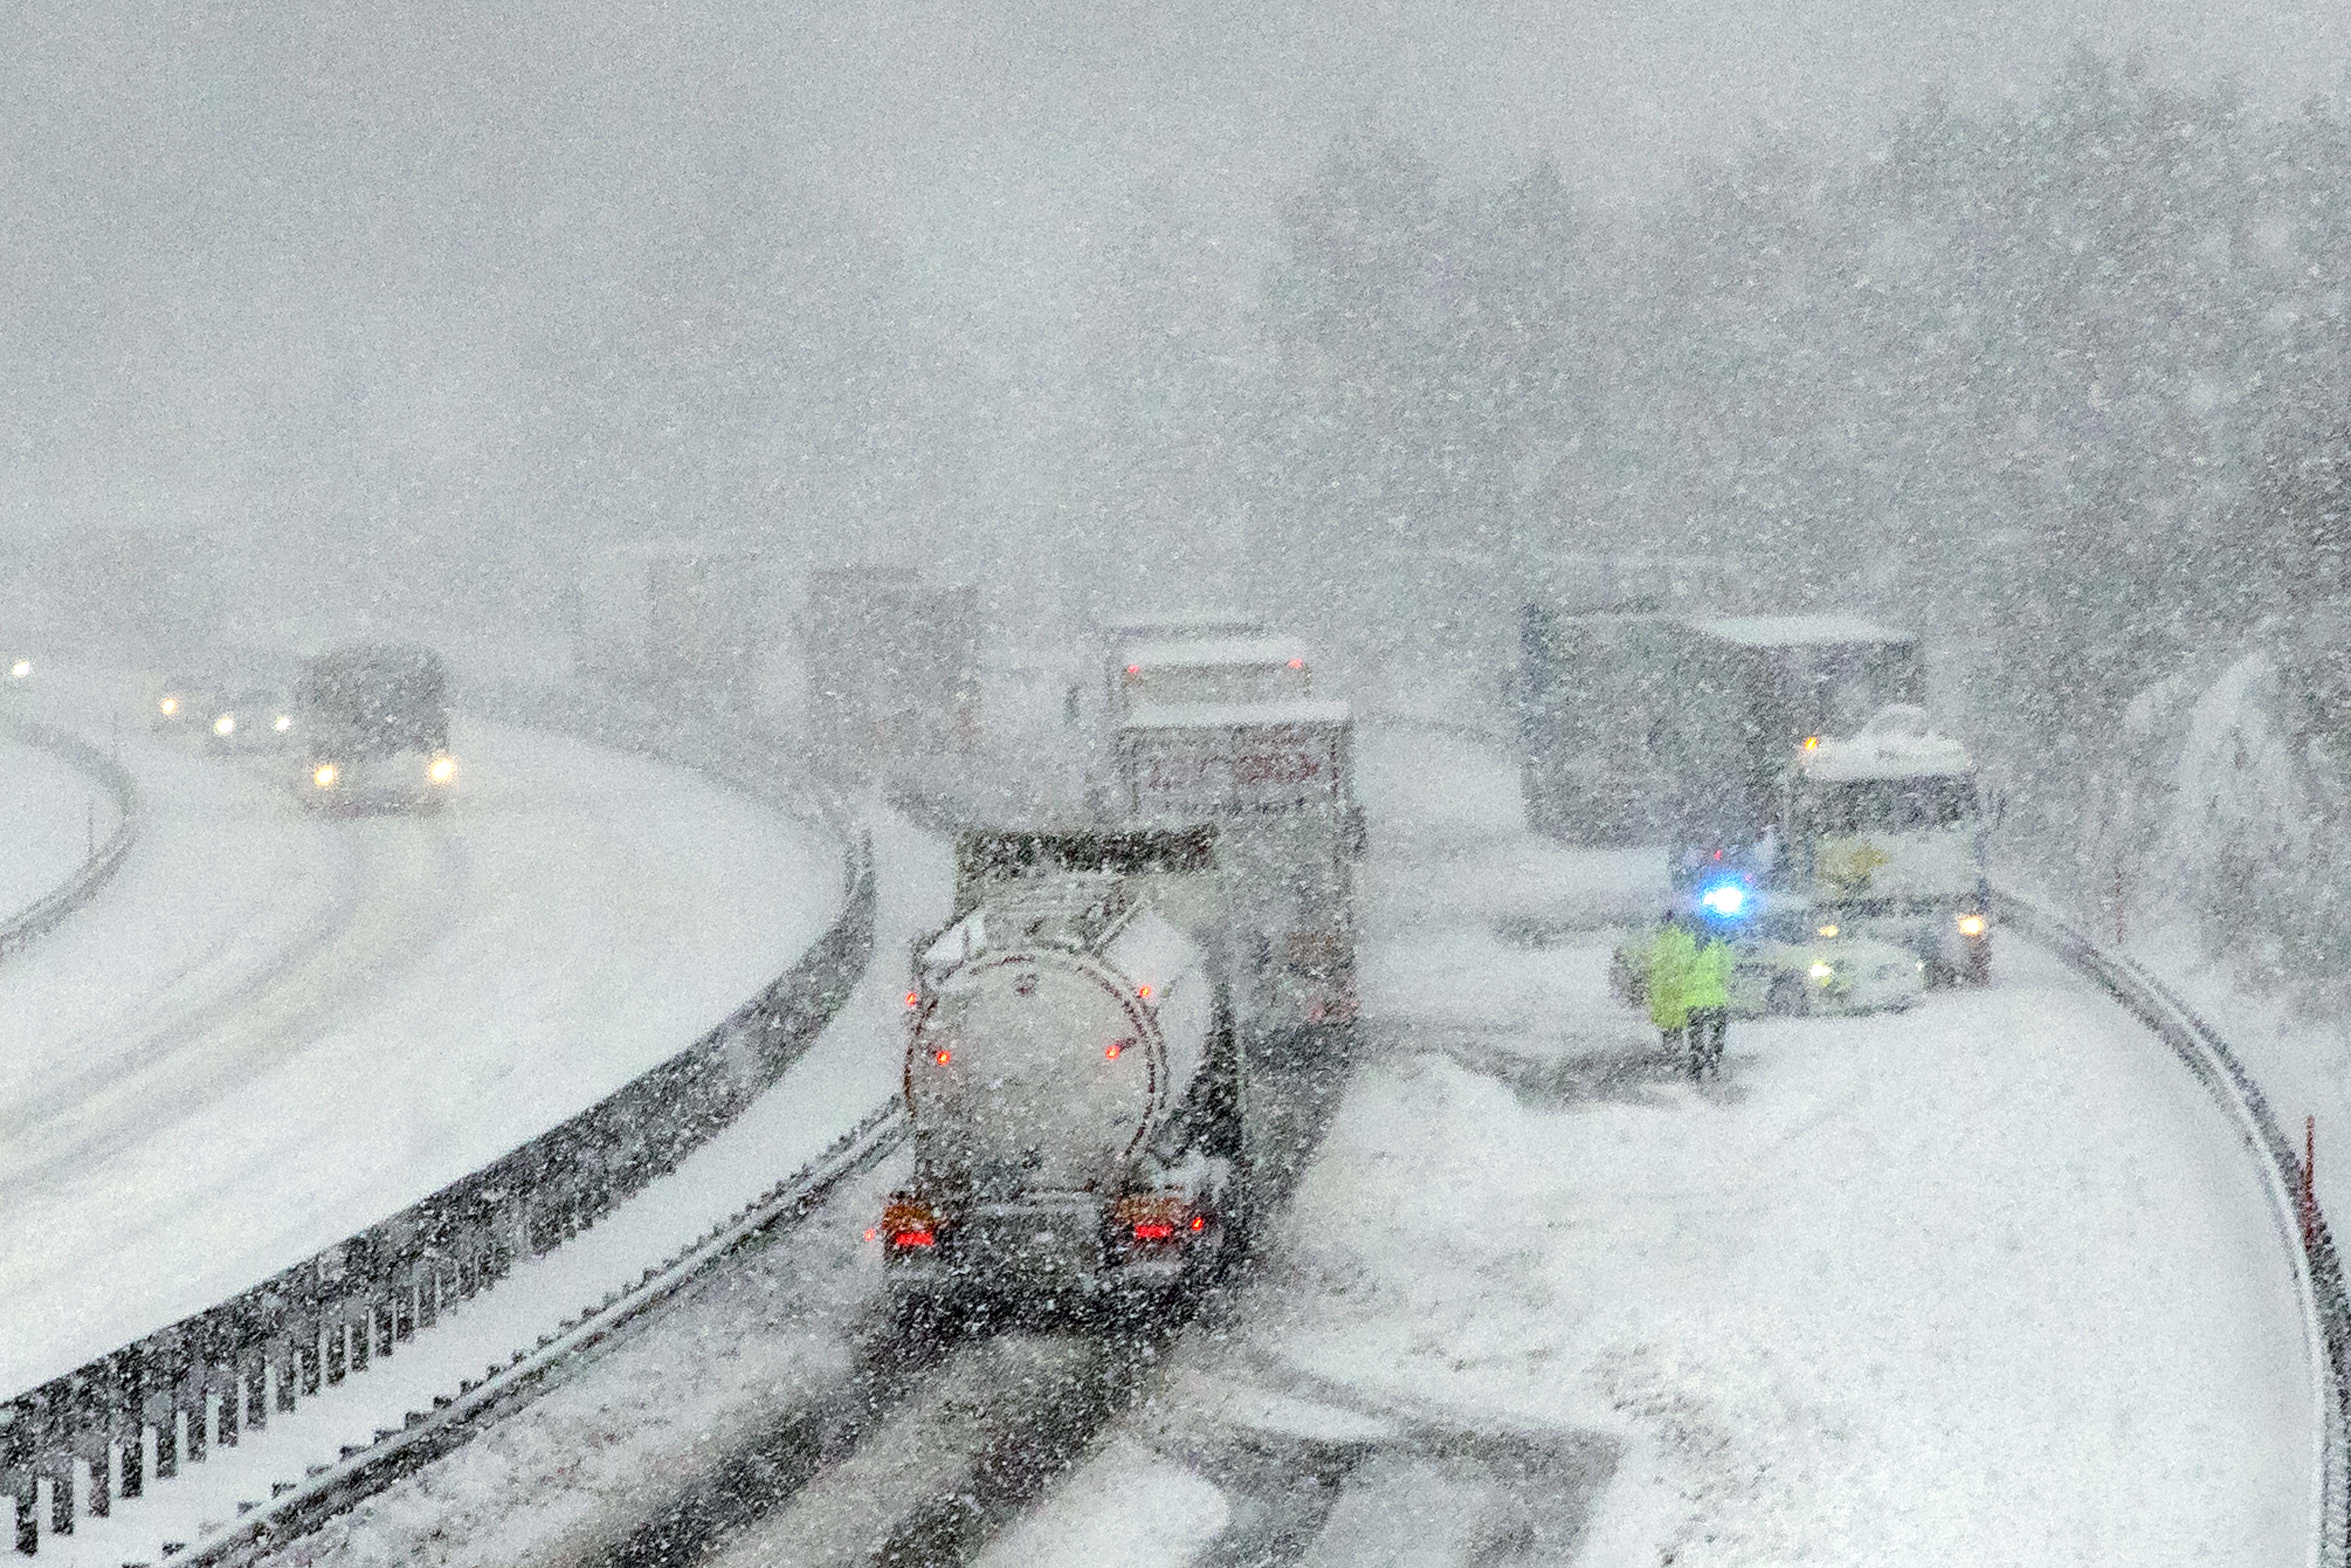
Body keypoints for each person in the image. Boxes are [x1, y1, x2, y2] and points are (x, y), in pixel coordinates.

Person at [1684, 926, 1735, 1080]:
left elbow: (1681, 970)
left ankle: (1695, 1065)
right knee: (1717, 1034)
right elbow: (1726, 972)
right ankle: (1713, 1062)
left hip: (1693, 1000)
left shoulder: (1688, 946)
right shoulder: (1719, 948)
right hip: (1715, 999)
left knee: (1696, 1036)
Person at [1647, 911, 1697, 1063]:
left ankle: (1672, 1052)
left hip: (1663, 993)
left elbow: (1655, 970)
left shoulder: (1660, 941)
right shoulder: (1686, 940)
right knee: (1679, 1026)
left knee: (1669, 1027)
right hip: (1680, 992)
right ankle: (1681, 1053)